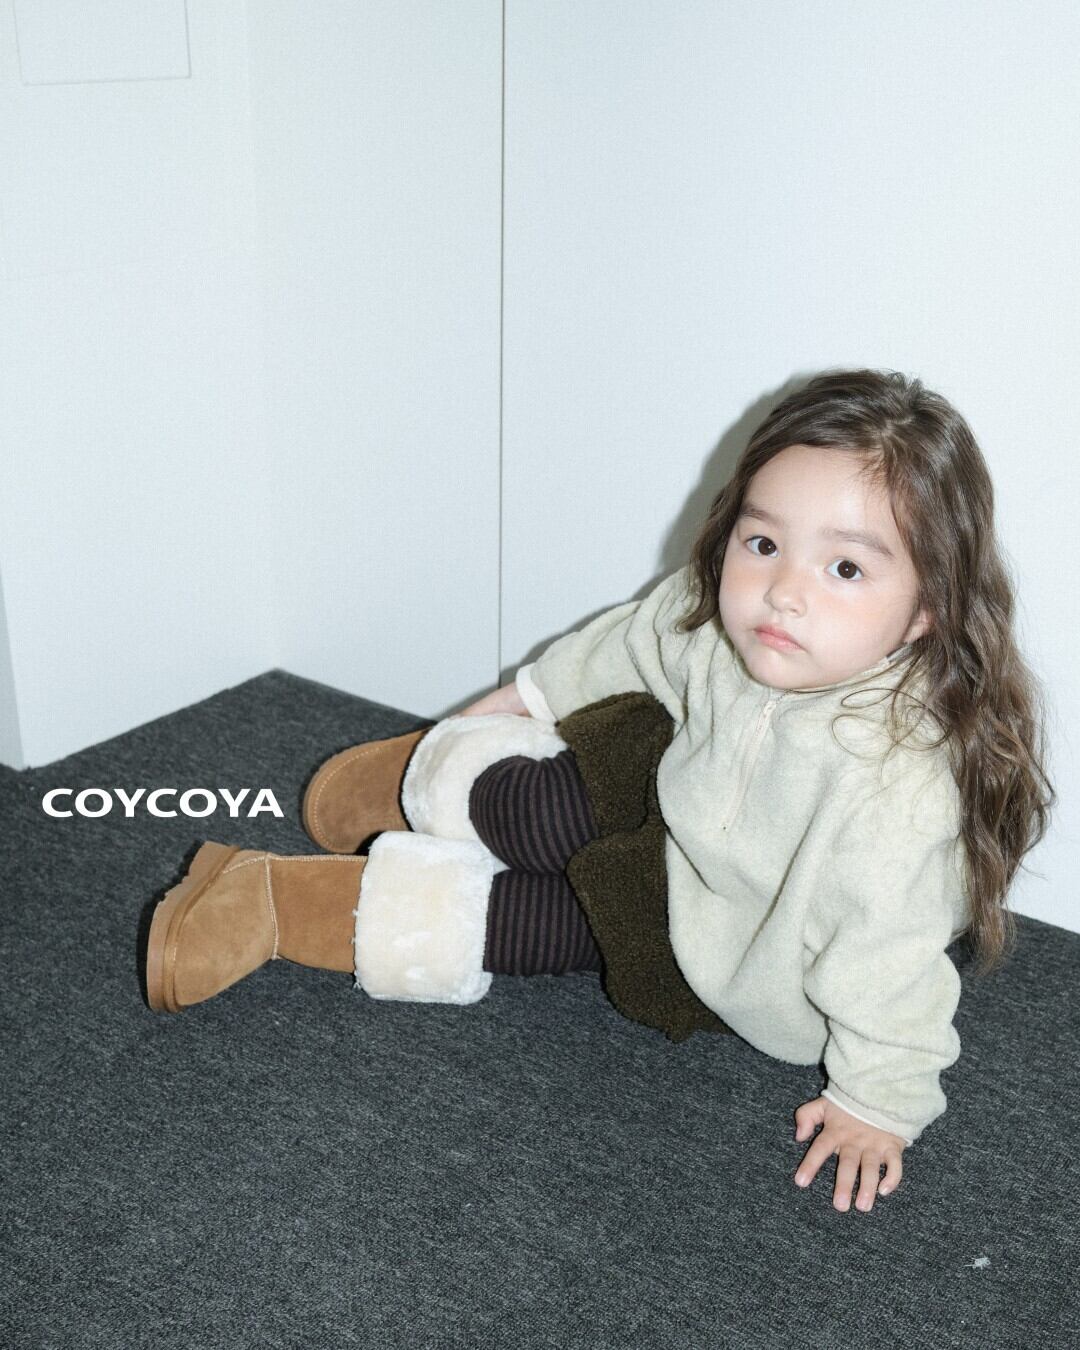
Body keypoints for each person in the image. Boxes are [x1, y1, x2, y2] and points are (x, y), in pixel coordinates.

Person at [142, 368, 1055, 1215]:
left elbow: (889, 961)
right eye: (764, 543)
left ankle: (268, 900)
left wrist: (878, 1102)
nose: (782, 592)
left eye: (845, 569)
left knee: (526, 928)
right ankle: (430, 779)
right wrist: (514, 704)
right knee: (542, 808)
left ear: (928, 608)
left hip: (709, 946)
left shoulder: (897, 791)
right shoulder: (722, 626)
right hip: (657, 790)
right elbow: (639, 637)